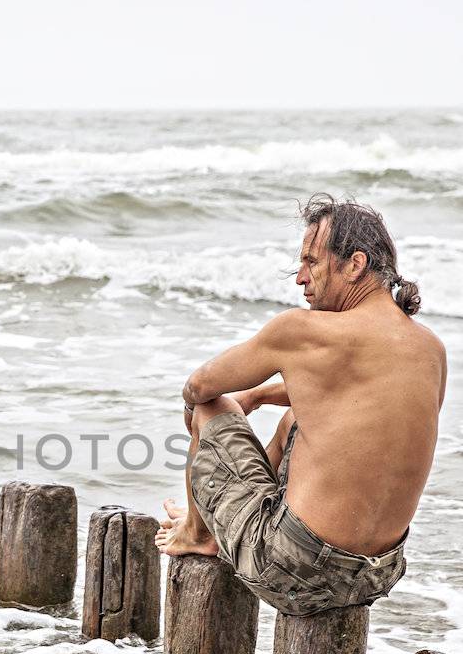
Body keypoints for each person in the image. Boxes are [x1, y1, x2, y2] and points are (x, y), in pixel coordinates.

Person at [156, 194, 446, 617]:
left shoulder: (302, 330)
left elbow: (199, 386)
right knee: (296, 418)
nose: (300, 279)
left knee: (210, 409)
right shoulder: (429, 349)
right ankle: (242, 518)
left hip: (295, 570)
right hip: (376, 575)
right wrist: (258, 395)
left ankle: (200, 533)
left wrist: (202, 415)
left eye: (311, 262)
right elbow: (356, 396)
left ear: (355, 264)